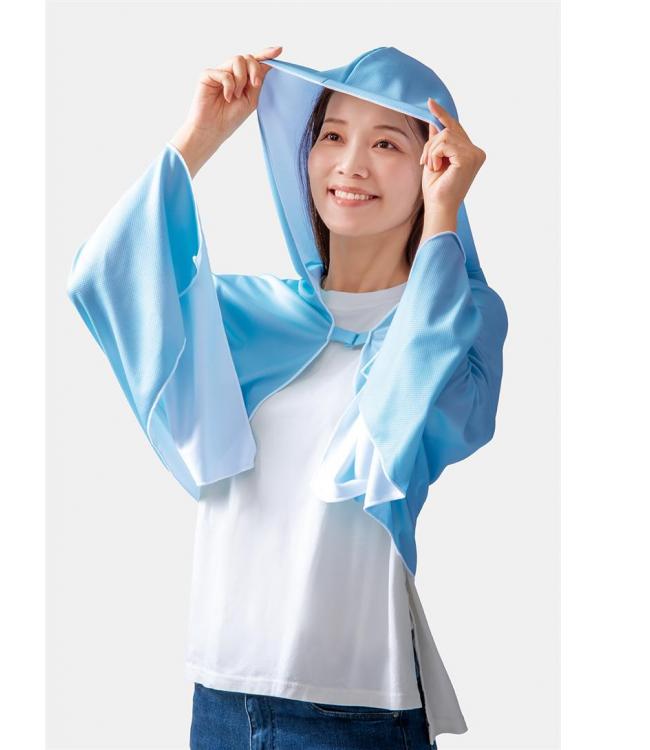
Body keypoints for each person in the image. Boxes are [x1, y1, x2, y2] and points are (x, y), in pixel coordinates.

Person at [66, 45, 508, 750]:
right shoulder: (248, 314)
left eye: (386, 143)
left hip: (356, 713)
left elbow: (402, 405)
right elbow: (104, 274)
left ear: (434, 163)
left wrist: (444, 217)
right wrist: (200, 138)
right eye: (331, 135)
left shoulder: (459, 317)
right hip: (220, 700)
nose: (350, 164)